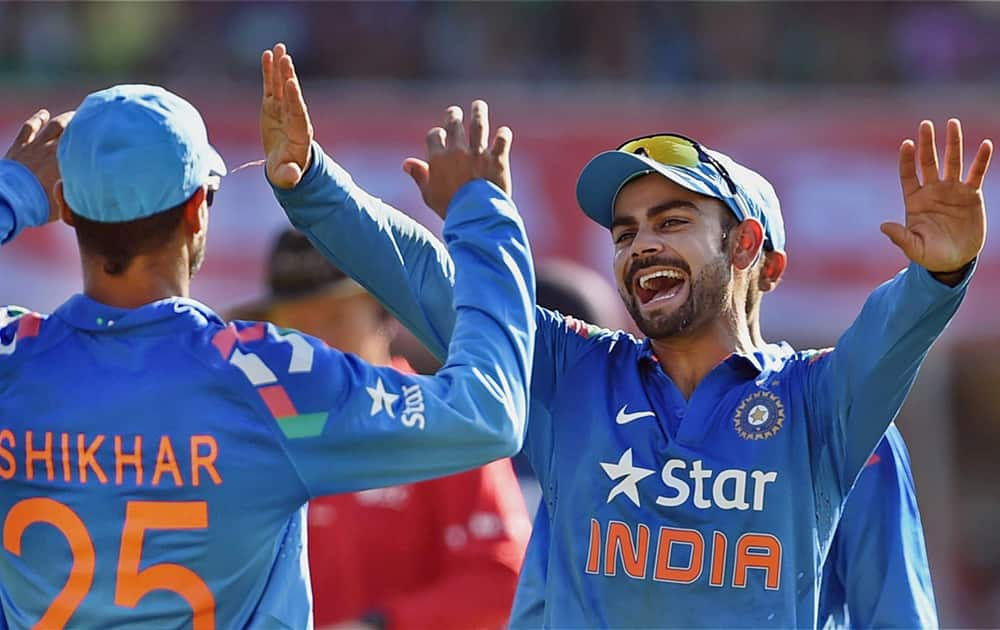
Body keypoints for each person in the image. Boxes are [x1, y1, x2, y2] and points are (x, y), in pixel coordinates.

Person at [0, 44, 536, 629]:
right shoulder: (266, 383)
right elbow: (489, 413)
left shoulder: (12, 360)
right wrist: (482, 217)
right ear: (198, 210)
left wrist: (12, 193)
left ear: (67, 210)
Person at [229, 229, 530, 630]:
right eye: (297, 324)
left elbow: (503, 581)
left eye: (335, 318)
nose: (315, 343)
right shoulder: (255, 440)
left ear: (385, 312)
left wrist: (378, 626)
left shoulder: (446, 425)